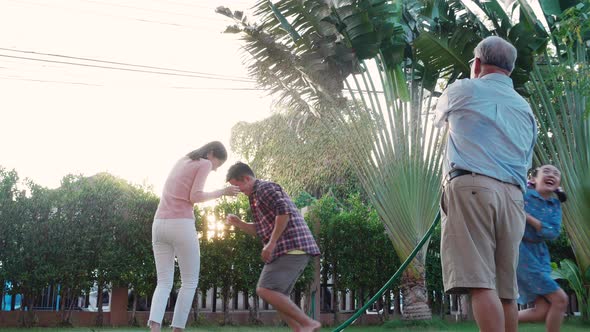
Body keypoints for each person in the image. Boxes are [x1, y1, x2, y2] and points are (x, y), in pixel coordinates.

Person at [434, 36, 538, 332]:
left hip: (472, 188)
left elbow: (438, 117)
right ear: (511, 68)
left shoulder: (464, 89)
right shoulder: (524, 108)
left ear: (477, 63)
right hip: (514, 198)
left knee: (481, 284)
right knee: (506, 290)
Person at [148, 141, 240, 332]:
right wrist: (223, 192)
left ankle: (155, 328)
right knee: (189, 281)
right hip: (180, 223)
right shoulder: (204, 163)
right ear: (212, 153)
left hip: (159, 224)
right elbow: (195, 197)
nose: (214, 169)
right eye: (218, 164)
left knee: (164, 282)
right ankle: (177, 329)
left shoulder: (183, 160)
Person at [224, 162, 321, 332]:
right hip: (289, 248)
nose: (237, 190)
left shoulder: (264, 189)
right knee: (278, 296)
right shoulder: (254, 196)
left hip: (291, 246)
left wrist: (271, 243)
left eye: (237, 185)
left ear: (246, 178)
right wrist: (239, 223)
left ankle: (308, 323)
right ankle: (300, 329)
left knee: (265, 289)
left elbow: (284, 213)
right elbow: (261, 230)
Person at [517, 165, 569, 332]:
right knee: (560, 300)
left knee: (542, 311)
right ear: (533, 180)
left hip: (541, 256)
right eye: (546, 171)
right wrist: (540, 226)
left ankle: (497, 320)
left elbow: (553, 232)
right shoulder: (524, 195)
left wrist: (528, 218)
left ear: (558, 183)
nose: (551, 174)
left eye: (556, 173)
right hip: (522, 253)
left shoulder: (555, 205)